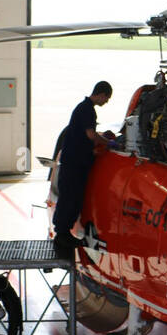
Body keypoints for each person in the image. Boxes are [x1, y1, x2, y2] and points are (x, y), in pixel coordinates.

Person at [52, 81, 112, 255]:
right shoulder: (87, 110)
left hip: (76, 162)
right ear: (101, 94)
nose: (106, 102)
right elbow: (90, 135)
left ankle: (64, 232)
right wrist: (109, 143)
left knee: (73, 198)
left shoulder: (84, 108)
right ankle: (61, 233)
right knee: (69, 198)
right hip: (74, 164)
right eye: (106, 98)